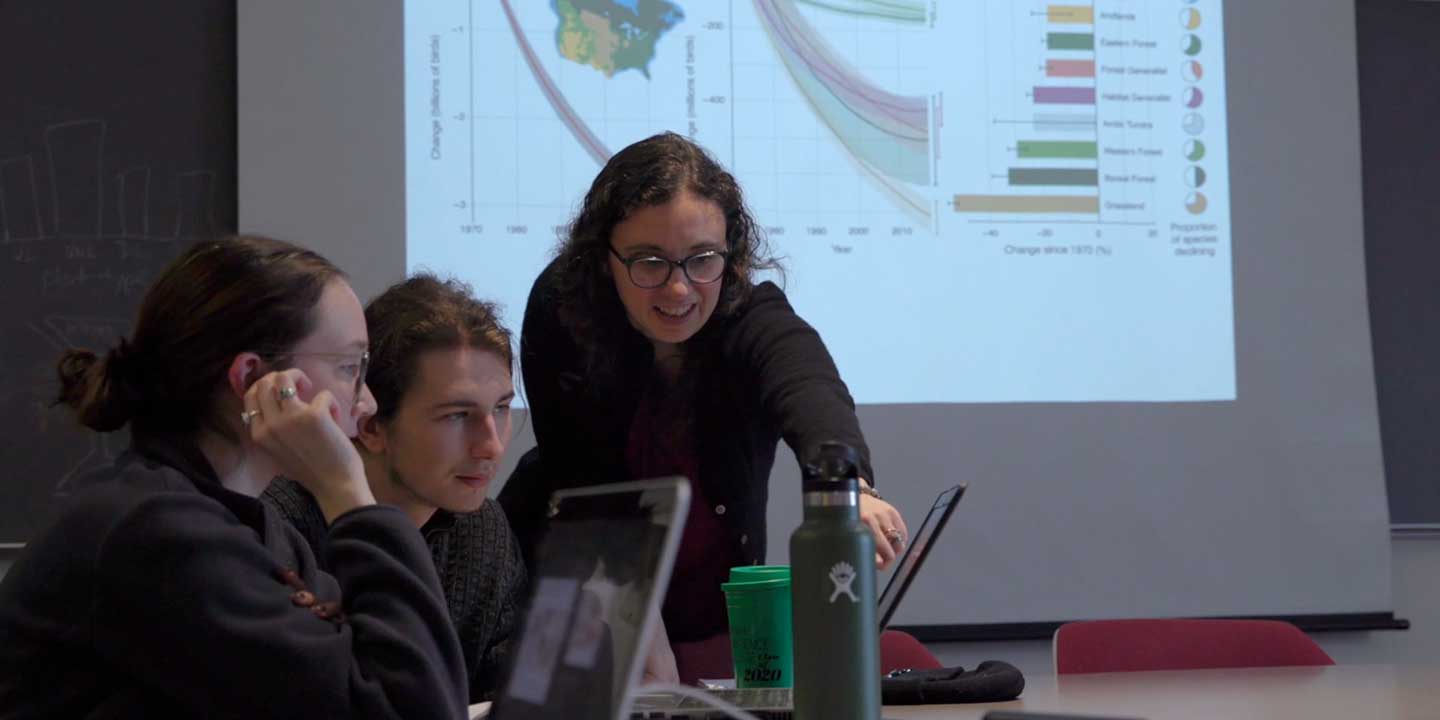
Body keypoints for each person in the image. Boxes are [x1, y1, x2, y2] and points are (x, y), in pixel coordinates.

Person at [0, 235, 467, 718]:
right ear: (251, 379)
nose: (365, 401)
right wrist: (347, 492)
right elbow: (412, 709)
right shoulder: (154, 532)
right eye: (350, 367)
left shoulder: (257, 531)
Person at [499, 132, 909, 677]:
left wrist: (850, 489)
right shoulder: (562, 314)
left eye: (702, 260)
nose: (679, 290)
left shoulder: (749, 314)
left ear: (730, 254)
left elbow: (809, 387)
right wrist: (643, 640)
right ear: (603, 259)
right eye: (649, 262)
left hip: (712, 617)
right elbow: (588, 489)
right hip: (574, 600)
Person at [263, 274, 526, 703]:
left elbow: (509, 687)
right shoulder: (276, 529)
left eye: (499, 409)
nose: (491, 445)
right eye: (458, 415)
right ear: (370, 427)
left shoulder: (482, 528)